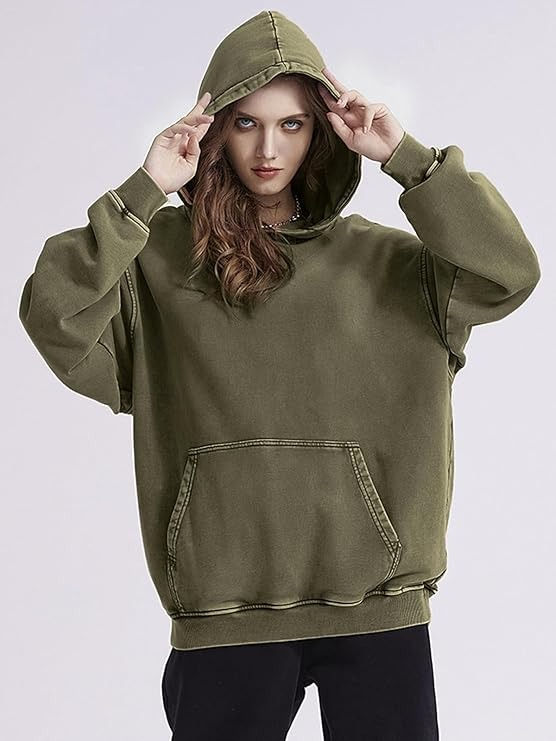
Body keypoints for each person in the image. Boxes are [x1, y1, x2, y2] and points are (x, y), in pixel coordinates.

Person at [18, 9, 541, 741]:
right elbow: (53, 313)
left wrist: (408, 159)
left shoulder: (390, 264)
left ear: (319, 131)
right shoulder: (156, 264)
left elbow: (510, 272)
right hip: (224, 614)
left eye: (292, 125)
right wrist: (144, 189)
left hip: (376, 611)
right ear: (214, 130)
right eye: (247, 124)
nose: (268, 149)